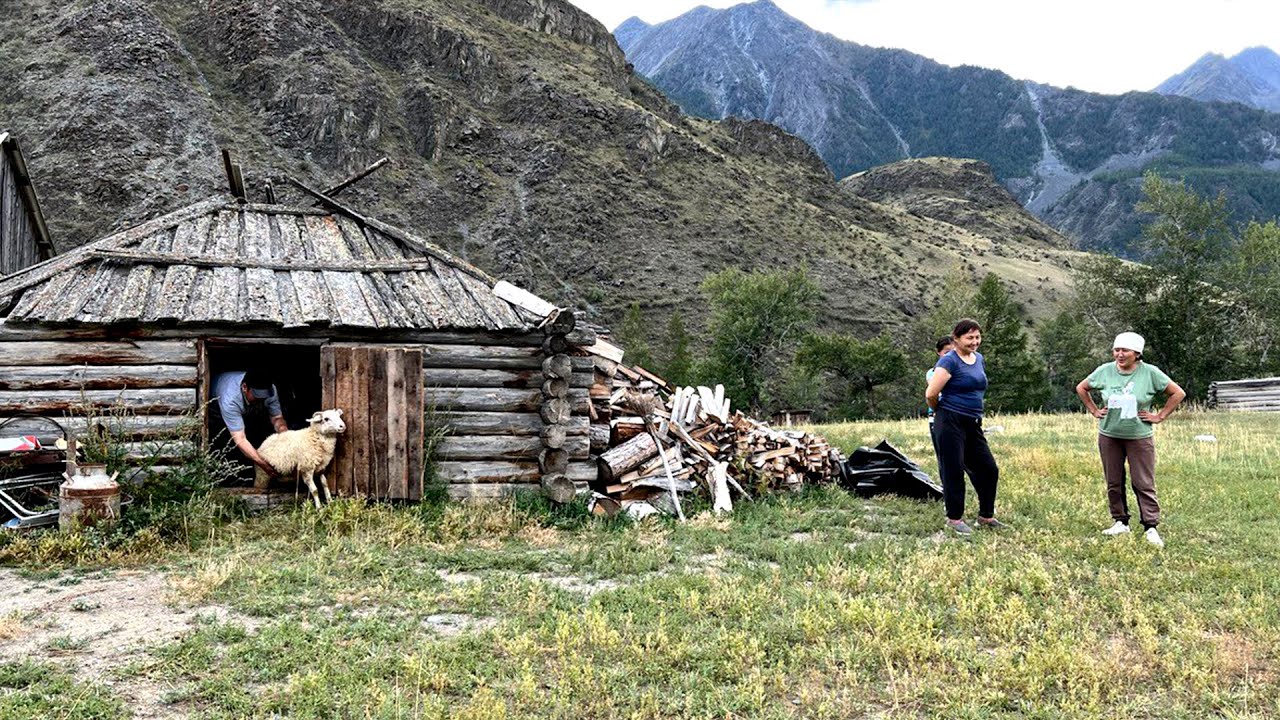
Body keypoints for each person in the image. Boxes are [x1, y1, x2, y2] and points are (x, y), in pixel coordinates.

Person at [1075, 332, 1185, 548]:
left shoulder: (1150, 373)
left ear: (1137, 353)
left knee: (1143, 481)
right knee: (1113, 481)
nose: (1120, 354)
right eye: (1117, 350)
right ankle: (1120, 522)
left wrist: (1159, 416)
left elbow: (1177, 393)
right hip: (1109, 435)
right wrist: (1094, 410)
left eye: (1125, 350)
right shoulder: (1105, 371)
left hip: (1139, 437)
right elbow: (1082, 388)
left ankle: (1150, 526)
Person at [925, 319, 1005, 536]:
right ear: (957, 338)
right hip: (950, 421)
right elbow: (931, 394)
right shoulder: (949, 362)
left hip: (973, 422)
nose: (974, 342)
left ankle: (986, 516)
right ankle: (954, 519)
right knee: (953, 470)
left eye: (977, 337)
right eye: (969, 338)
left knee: (988, 469)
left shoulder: (978, 358)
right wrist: (941, 411)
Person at [211, 369, 287, 481]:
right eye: (258, 396)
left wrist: (286, 438)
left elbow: (277, 419)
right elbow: (240, 439)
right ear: (245, 387)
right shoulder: (230, 399)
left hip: (247, 408)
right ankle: (231, 477)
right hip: (216, 410)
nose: (262, 398)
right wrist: (264, 465)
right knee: (225, 442)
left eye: (264, 396)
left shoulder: (270, 390)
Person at [926, 336, 955, 459]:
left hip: (958, 417)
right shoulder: (933, 372)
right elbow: (933, 393)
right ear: (939, 352)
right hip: (939, 417)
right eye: (947, 352)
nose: (951, 356)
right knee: (944, 458)